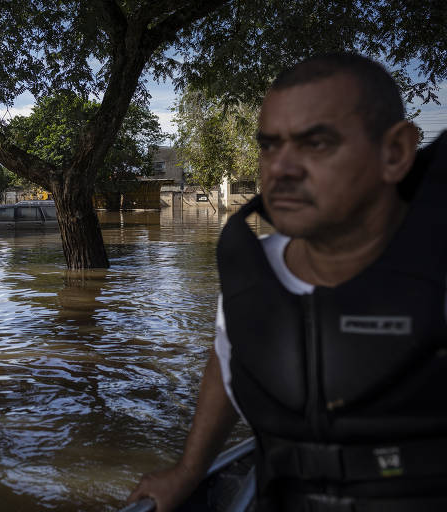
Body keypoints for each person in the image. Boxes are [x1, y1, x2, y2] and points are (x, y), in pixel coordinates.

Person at [128, 52, 447, 512]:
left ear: (395, 153)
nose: (280, 169)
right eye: (270, 146)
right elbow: (228, 354)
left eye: (315, 143)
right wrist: (189, 469)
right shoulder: (252, 271)